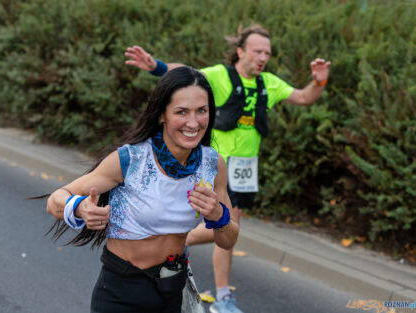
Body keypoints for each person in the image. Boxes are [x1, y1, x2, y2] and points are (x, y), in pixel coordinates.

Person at [125, 24, 331, 313]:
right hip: (215, 165)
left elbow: (304, 97)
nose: (262, 57)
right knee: (220, 228)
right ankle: (180, 255)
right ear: (240, 51)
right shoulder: (222, 76)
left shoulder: (267, 83)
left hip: (246, 168)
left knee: (227, 229)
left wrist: (319, 82)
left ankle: (215, 289)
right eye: (257, 51)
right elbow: (186, 73)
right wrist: (156, 66)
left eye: (267, 53)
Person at [46, 66, 239, 313]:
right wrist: (80, 207)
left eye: (201, 111)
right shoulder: (132, 159)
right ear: (161, 114)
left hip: (172, 289)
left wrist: (218, 216)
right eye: (182, 112)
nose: (194, 122)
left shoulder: (213, 165)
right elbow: (55, 201)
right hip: (122, 291)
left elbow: (228, 239)